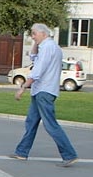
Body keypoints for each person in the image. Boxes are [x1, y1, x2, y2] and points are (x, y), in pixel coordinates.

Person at [10, 23, 79, 167]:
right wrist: (35, 42)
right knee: (31, 122)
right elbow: (34, 57)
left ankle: (69, 154)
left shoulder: (48, 47)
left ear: (43, 33)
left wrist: (23, 87)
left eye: (34, 34)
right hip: (41, 91)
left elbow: (38, 69)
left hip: (44, 91)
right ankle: (22, 152)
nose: (32, 36)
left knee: (50, 124)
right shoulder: (49, 47)